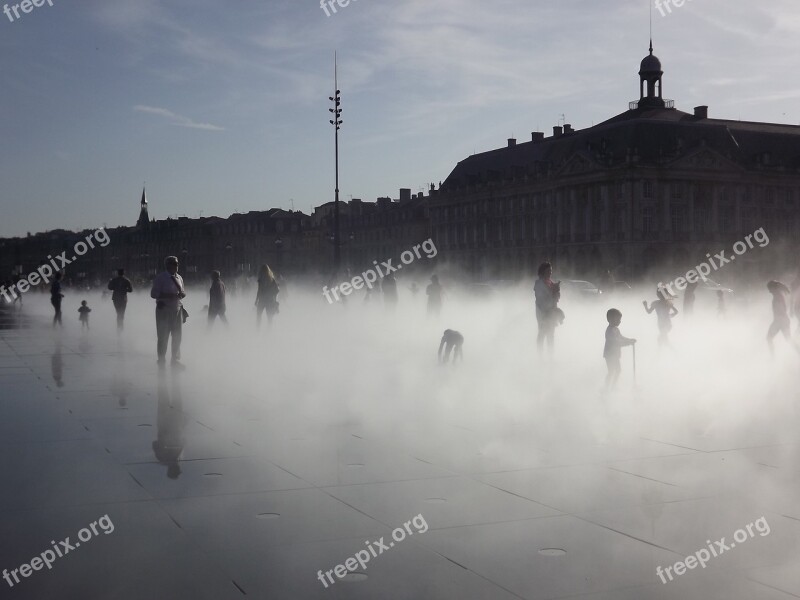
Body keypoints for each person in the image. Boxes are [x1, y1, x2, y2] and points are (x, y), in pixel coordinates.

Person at [150, 256, 186, 368]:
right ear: (168, 265)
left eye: (177, 263)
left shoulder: (179, 278)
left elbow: (183, 291)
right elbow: (153, 294)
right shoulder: (161, 278)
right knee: (163, 336)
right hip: (164, 310)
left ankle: (175, 360)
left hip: (177, 309)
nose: (177, 266)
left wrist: (182, 295)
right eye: (175, 264)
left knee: (177, 336)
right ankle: (161, 359)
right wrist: (168, 296)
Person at [603, 309, 636, 389]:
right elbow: (616, 342)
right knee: (611, 371)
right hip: (609, 354)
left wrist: (629, 340)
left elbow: (621, 337)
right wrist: (628, 343)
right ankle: (606, 387)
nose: (619, 321)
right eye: (617, 319)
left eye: (620, 319)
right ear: (610, 319)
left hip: (615, 354)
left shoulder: (616, 329)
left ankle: (613, 386)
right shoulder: (609, 331)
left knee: (618, 371)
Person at [534, 262, 561, 354]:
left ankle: (550, 357)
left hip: (551, 311)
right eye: (548, 271)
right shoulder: (539, 284)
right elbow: (540, 299)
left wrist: (557, 290)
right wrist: (546, 312)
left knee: (551, 334)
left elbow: (555, 298)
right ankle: (540, 356)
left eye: (551, 271)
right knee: (542, 333)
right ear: (543, 271)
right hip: (543, 312)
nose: (550, 272)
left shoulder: (551, 283)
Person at [767, 280, 793, 356]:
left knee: (769, 338)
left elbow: (782, 310)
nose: (769, 291)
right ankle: (772, 357)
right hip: (781, 321)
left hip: (780, 321)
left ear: (773, 288)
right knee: (788, 339)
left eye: (769, 289)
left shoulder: (778, 296)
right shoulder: (778, 295)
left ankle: (772, 358)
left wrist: (778, 321)